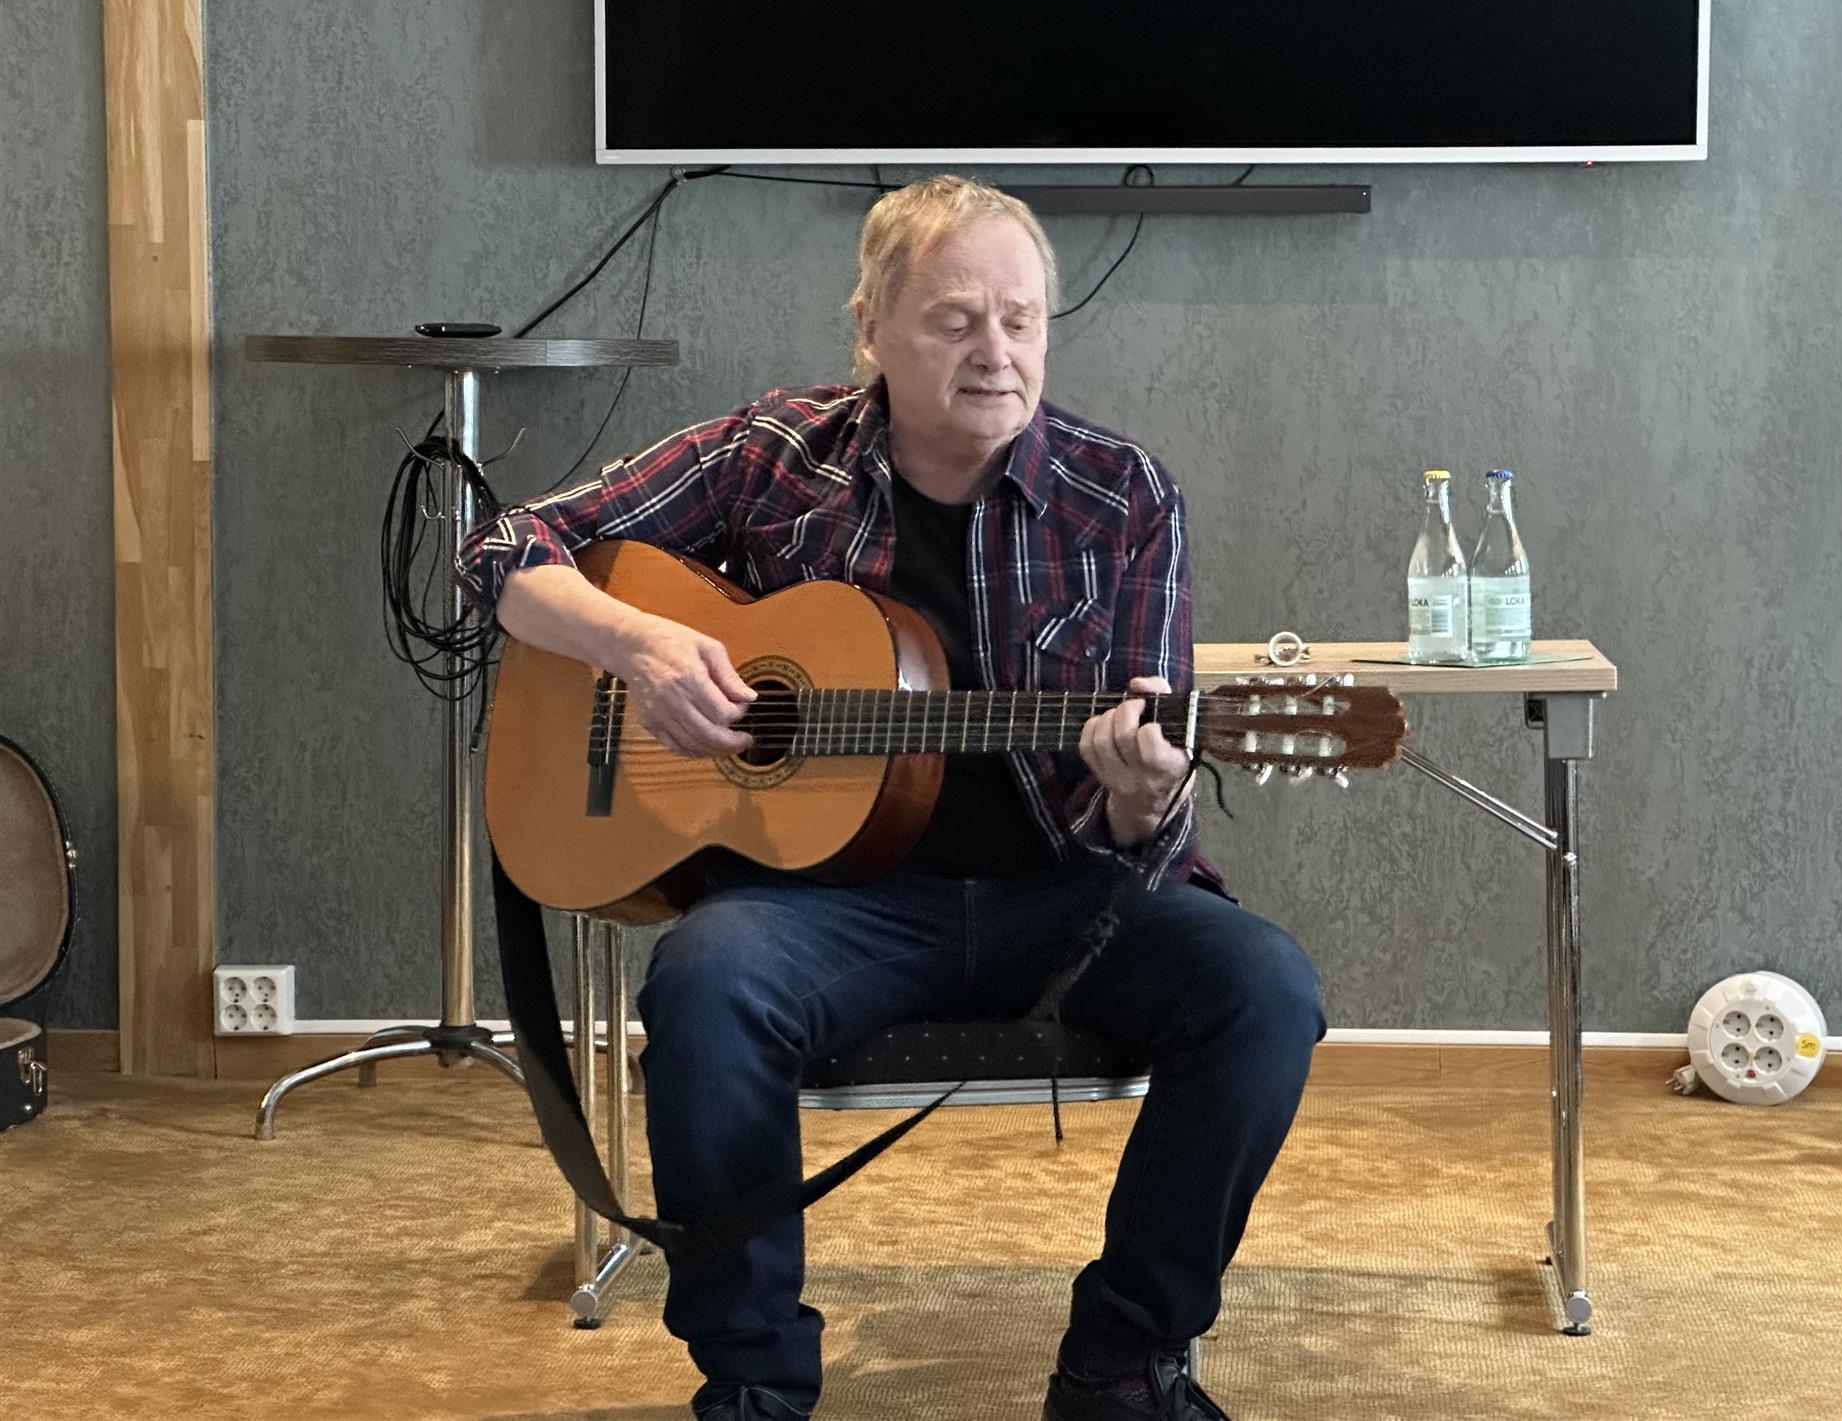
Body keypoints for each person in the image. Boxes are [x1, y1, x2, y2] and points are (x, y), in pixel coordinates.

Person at [458, 175, 1325, 1421]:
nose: (996, 353)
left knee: (1264, 987)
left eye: (1021, 320)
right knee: (706, 983)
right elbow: (501, 547)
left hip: (1063, 892)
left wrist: (1146, 793)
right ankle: (754, 1387)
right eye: (955, 320)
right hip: (821, 906)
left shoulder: (1124, 495)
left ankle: (1123, 1364)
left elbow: (1145, 826)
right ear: (869, 326)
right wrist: (637, 647)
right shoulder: (773, 455)